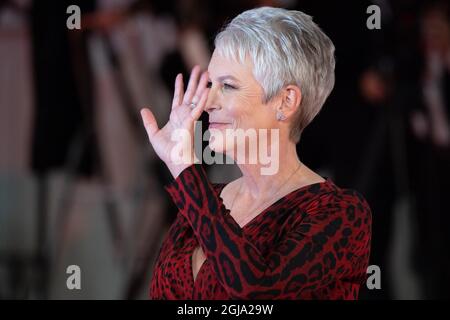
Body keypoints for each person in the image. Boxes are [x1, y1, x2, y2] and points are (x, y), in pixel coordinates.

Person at [142, 7, 372, 300]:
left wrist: (185, 170)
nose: (208, 102)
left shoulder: (340, 213)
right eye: (211, 85)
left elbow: (256, 291)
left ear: (286, 101)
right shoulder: (203, 200)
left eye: (228, 86)